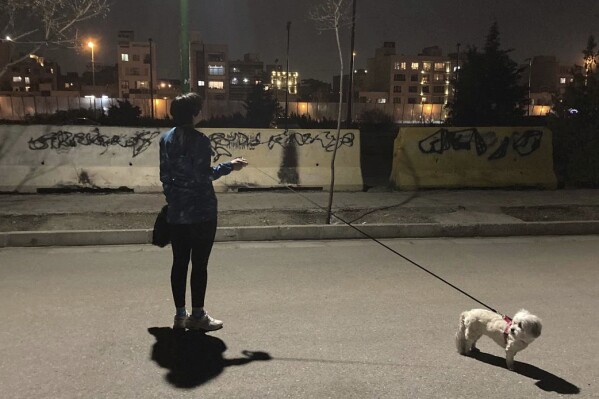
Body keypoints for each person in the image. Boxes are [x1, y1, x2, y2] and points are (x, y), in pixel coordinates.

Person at [159, 92, 247, 331]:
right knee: (199, 264)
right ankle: (197, 316)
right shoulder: (199, 140)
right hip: (201, 212)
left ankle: (179, 315)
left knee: (179, 263)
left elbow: (164, 176)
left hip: (177, 212)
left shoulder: (165, 139)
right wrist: (230, 166)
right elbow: (203, 176)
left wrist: (174, 199)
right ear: (195, 113)